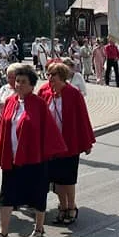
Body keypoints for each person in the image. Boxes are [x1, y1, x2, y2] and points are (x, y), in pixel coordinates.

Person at [0, 63, 67, 237]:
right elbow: (2, 128)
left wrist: (51, 152)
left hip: (34, 159)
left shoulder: (39, 104)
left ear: (32, 85)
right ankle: (3, 234)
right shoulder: (10, 102)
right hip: (13, 159)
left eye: (23, 82)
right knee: (6, 196)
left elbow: (49, 130)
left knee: (37, 194)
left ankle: (39, 229)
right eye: (17, 81)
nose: (18, 85)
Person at [40, 62, 94, 226]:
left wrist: (87, 142)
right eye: (48, 75)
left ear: (62, 77)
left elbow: (82, 119)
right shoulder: (44, 92)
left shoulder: (73, 94)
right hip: (51, 145)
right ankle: (62, 207)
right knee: (55, 179)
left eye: (53, 76)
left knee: (68, 179)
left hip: (69, 143)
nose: (50, 79)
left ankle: (71, 207)